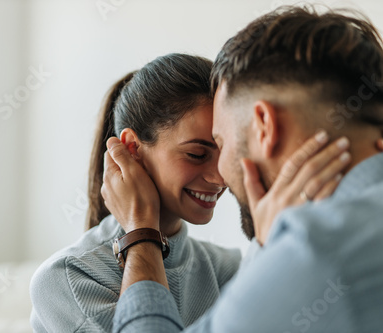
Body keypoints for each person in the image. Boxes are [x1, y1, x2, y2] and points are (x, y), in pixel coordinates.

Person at [101, 6, 383, 333]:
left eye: (220, 141)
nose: (219, 173)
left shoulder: (315, 252)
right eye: (197, 152)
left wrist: (141, 234)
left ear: (264, 126)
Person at [29, 53, 348, 332]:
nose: (219, 176)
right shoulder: (68, 278)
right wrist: (141, 229)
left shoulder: (229, 268)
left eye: (224, 152)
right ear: (132, 149)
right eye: (197, 154)